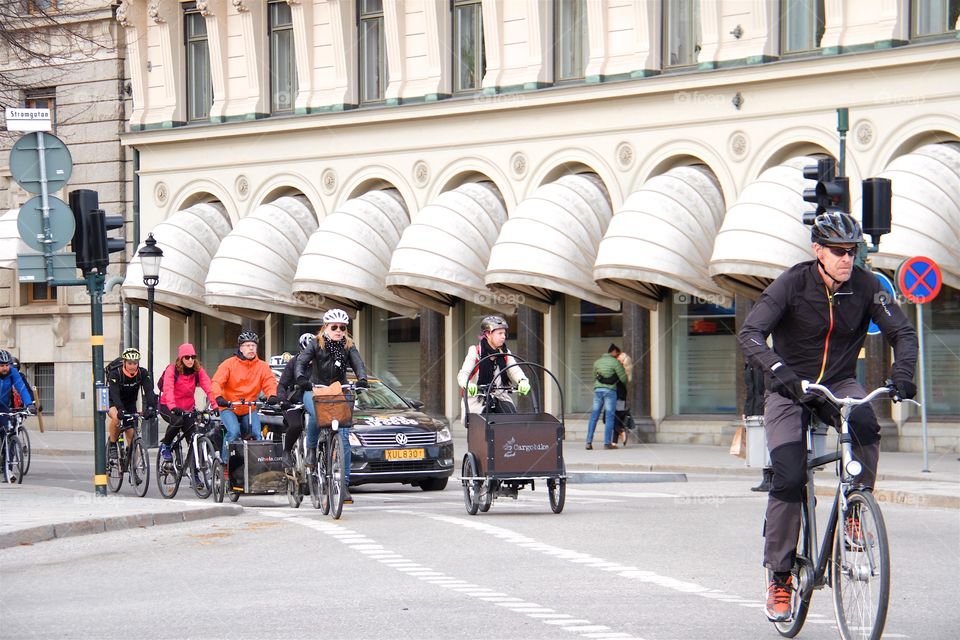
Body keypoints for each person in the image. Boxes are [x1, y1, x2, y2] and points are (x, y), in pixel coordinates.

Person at [738, 212, 917, 623]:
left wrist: (902, 375)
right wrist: (779, 371)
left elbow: (902, 334)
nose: (846, 259)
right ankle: (780, 576)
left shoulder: (867, 286)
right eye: (838, 251)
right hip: (789, 389)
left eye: (852, 251)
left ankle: (855, 508)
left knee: (867, 424)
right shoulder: (792, 283)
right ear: (817, 250)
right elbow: (749, 333)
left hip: (837, 383)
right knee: (788, 476)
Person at [295, 309, 369, 504]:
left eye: (342, 328)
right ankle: (311, 449)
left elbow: (358, 364)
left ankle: (343, 487)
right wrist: (302, 379)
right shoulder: (315, 343)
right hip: (315, 389)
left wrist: (362, 379)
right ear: (325, 327)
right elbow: (301, 363)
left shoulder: (348, 345)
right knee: (317, 415)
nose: (338, 330)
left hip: (338, 390)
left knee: (343, 436)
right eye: (334, 327)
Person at [211, 332, 279, 465]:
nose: (251, 348)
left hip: (249, 407)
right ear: (240, 348)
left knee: (257, 434)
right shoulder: (228, 364)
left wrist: (272, 395)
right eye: (247, 345)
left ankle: (256, 467)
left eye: (253, 345)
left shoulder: (262, 366)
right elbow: (216, 382)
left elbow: (270, 382)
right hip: (229, 406)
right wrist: (218, 397)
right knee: (234, 432)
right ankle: (226, 464)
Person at [457, 315, 531, 416]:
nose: (503, 337)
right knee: (482, 423)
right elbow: (463, 374)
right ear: (488, 334)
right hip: (478, 398)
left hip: (499, 396)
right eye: (500, 333)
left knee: (512, 420)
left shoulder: (505, 352)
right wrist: (467, 385)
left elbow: (515, 370)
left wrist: (522, 380)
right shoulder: (476, 351)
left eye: (504, 333)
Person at [157, 343, 218, 463]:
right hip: (168, 406)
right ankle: (166, 445)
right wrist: (173, 407)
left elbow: (209, 387)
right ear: (181, 358)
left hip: (188, 408)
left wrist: (215, 405)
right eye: (187, 357)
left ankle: (196, 477)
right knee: (177, 421)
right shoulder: (172, 369)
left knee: (193, 441)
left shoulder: (198, 370)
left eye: (193, 357)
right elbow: (168, 389)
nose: (190, 360)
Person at [106, 348, 157, 459]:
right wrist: (120, 409)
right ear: (124, 363)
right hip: (113, 402)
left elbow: (149, 391)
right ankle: (113, 445)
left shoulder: (142, 373)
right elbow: (114, 394)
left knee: (131, 437)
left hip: (129, 403)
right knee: (116, 418)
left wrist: (151, 407)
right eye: (129, 363)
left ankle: (134, 468)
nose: (132, 366)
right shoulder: (116, 373)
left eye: (135, 363)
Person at [279, 332, 316, 469]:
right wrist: (282, 400)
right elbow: (282, 384)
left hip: (316, 400)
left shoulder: (322, 362)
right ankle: (287, 451)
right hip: (295, 401)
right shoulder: (294, 362)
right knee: (296, 426)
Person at [584, 344, 627, 450]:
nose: (617, 355)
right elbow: (623, 378)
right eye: (616, 353)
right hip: (610, 392)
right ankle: (607, 443)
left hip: (598, 391)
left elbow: (594, 377)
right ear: (612, 352)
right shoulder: (615, 362)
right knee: (609, 417)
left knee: (594, 416)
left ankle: (588, 442)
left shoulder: (597, 362)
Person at [744, 361, 772, 492]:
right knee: (761, 444)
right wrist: (747, 411)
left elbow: (767, 388)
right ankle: (767, 479)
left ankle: (770, 479)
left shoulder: (763, 362)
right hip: (755, 408)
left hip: (766, 407)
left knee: (768, 443)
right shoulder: (749, 365)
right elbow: (750, 390)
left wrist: (768, 406)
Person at [0, 351, 36, 429]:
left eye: (7, 365)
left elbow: (22, 388)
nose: (5, 368)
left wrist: (29, 404)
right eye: (2, 365)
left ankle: (11, 441)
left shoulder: (13, 372)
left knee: (7, 430)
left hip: (4, 406)